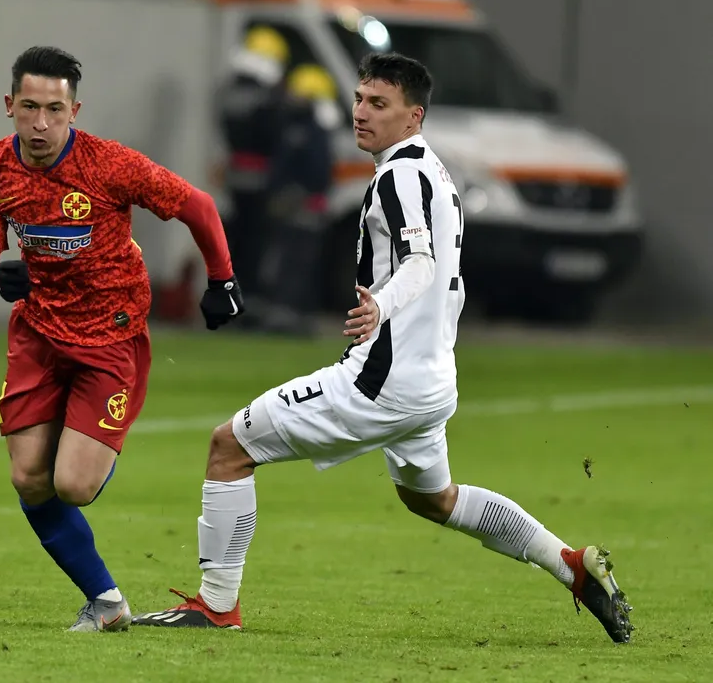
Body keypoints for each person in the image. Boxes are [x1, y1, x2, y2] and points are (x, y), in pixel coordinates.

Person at [132, 52, 634, 644]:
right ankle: (572, 566)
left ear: (413, 115)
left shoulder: (398, 176)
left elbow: (420, 262)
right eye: (359, 99)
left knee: (229, 447)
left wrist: (382, 306)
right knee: (435, 500)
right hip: (430, 382)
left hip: (381, 383)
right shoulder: (434, 172)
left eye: (379, 103)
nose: (362, 113)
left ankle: (216, 606)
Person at [0, 46, 243, 633]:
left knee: (72, 485)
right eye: (30, 107)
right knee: (28, 478)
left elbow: (197, 205)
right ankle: (107, 602)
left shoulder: (109, 165)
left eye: (55, 110)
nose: (41, 124)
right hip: (38, 337)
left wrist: (222, 280)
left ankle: (96, 441)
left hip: (108, 339)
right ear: (10, 105)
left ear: (75, 111)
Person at [260, 64, 336, 336]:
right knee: (298, 260)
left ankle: (289, 314)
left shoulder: (299, 130)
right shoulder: (312, 131)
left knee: (294, 261)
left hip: (299, 206)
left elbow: (307, 172)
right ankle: (295, 314)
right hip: (304, 206)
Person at [217, 25, 288, 311]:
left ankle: (229, 296)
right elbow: (275, 136)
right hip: (261, 179)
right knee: (255, 242)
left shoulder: (228, 91)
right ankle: (250, 300)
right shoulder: (268, 97)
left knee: (234, 238)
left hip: (235, 176)